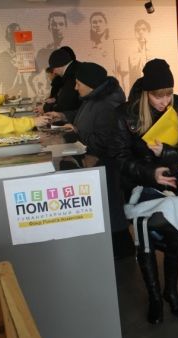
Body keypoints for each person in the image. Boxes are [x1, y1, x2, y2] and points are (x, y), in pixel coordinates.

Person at [112, 59, 178, 324]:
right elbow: (119, 157)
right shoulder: (125, 114)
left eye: (168, 94)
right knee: (145, 241)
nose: (165, 101)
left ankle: (170, 291)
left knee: (175, 235)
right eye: (158, 96)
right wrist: (150, 173)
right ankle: (154, 296)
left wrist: (167, 153)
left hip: (169, 183)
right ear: (146, 93)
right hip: (137, 187)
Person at [45, 62, 133, 258]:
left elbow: (103, 141)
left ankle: (121, 254)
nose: (76, 87)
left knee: (113, 214)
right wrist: (67, 120)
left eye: (79, 83)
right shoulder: (94, 98)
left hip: (105, 168)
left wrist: (75, 134)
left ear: (91, 84)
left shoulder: (107, 105)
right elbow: (83, 118)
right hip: (98, 168)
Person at [39, 47, 81, 122]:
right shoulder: (76, 68)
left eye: (53, 69)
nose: (54, 72)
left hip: (77, 118)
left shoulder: (71, 74)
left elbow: (67, 102)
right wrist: (56, 99)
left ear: (59, 65)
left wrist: (46, 108)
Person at [0, 22, 31, 97]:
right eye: (12, 34)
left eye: (18, 33)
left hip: (26, 96)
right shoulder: (1, 57)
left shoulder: (27, 55)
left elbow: (33, 78)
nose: (15, 36)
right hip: (9, 96)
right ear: (8, 37)